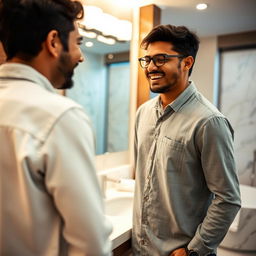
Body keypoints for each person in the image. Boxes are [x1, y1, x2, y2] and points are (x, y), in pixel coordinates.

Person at [0, 0, 112, 255]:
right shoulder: (60, 117)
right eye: (77, 43)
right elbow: (90, 243)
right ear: (53, 42)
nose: (81, 56)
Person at [132, 24, 241, 256]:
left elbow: (228, 199)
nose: (151, 67)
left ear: (187, 63)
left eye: (160, 59)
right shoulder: (143, 113)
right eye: (147, 60)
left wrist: (193, 251)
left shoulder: (209, 122)